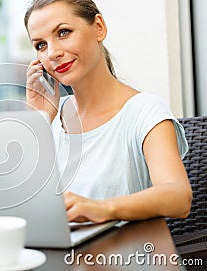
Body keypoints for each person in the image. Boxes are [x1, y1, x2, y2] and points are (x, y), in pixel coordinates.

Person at [24, 0, 192, 223]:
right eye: (40, 45)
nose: (52, 53)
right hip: (62, 255)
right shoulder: (54, 116)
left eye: (63, 32)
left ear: (99, 27)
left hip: (122, 255)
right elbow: (27, 204)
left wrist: (100, 208)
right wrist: (39, 121)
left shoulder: (144, 111)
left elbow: (179, 197)